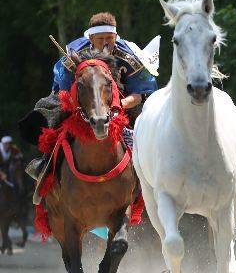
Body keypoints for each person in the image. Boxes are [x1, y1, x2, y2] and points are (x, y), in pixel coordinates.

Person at [19, 12, 159, 181]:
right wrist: (82, 104)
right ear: (91, 38)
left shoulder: (129, 57)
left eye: (110, 37)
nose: (106, 42)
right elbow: (63, 89)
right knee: (50, 111)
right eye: (101, 38)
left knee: (151, 119)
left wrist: (118, 103)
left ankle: (154, 167)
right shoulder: (74, 53)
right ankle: (45, 162)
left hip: (123, 103)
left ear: (116, 36)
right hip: (79, 101)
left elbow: (140, 92)